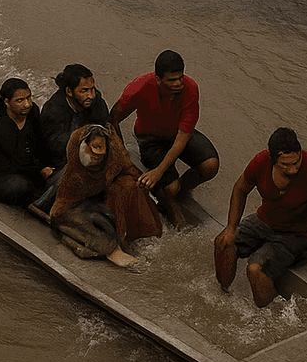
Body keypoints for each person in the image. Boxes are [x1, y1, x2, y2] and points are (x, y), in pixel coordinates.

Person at [214, 127, 307, 307]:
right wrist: (231, 227)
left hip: (301, 234)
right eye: (285, 165)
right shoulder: (260, 162)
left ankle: (269, 315)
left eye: (296, 163)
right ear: (272, 159)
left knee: (255, 268)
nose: (292, 170)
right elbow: (240, 190)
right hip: (267, 220)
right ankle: (223, 294)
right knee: (223, 242)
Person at [109, 49, 218, 226]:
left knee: (210, 166)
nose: (179, 83)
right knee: (170, 187)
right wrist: (122, 154)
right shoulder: (139, 88)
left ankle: (180, 192)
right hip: (150, 138)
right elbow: (113, 118)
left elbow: (183, 138)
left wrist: (159, 171)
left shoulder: (191, 88)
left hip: (177, 134)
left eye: (180, 78)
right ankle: (171, 201)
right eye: (172, 80)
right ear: (158, 79)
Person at [49, 124, 162, 268]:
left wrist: (144, 188)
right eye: (95, 147)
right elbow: (62, 205)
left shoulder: (114, 152)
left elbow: (129, 169)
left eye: (102, 148)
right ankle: (112, 248)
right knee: (82, 225)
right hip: (75, 201)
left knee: (129, 185)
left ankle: (135, 233)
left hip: (102, 193)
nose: (100, 152)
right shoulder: (75, 166)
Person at [31, 63, 111, 215]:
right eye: (84, 91)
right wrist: (87, 141)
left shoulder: (95, 101)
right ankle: (41, 205)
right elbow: (53, 147)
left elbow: (106, 125)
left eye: (92, 89)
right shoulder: (53, 111)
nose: (91, 95)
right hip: (59, 164)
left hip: (93, 153)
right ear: (69, 91)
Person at [0, 77, 52, 206]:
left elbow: (39, 141)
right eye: (20, 101)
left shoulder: (32, 111)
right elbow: (18, 160)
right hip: (5, 175)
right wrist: (40, 172)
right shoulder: (1, 125)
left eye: (28, 98)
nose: (27, 104)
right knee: (21, 187)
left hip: (30, 167)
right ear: (7, 102)